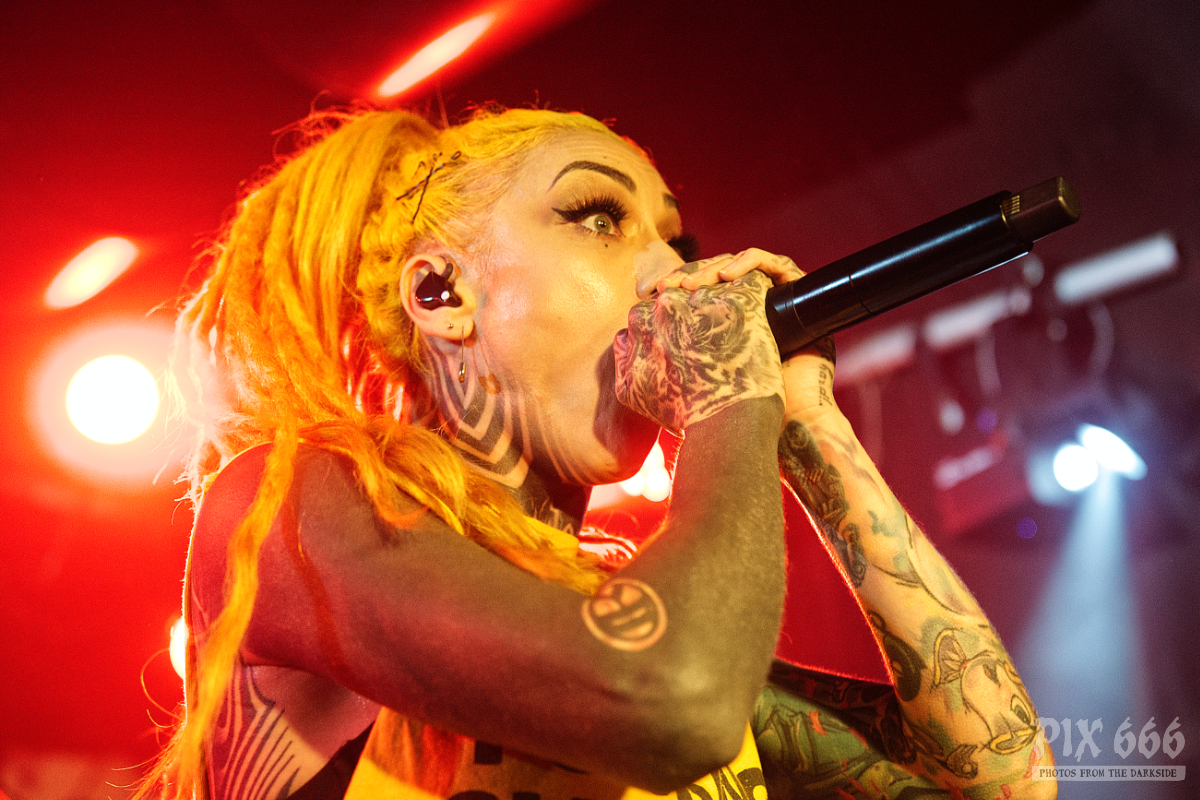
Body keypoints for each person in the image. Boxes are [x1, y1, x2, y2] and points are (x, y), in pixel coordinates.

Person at [141, 105, 1056, 800]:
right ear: (441, 292)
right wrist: (728, 396)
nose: (674, 273)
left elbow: (994, 781)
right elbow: (673, 701)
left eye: (676, 240)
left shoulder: (632, 614)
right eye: (599, 218)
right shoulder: (296, 500)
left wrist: (807, 424)